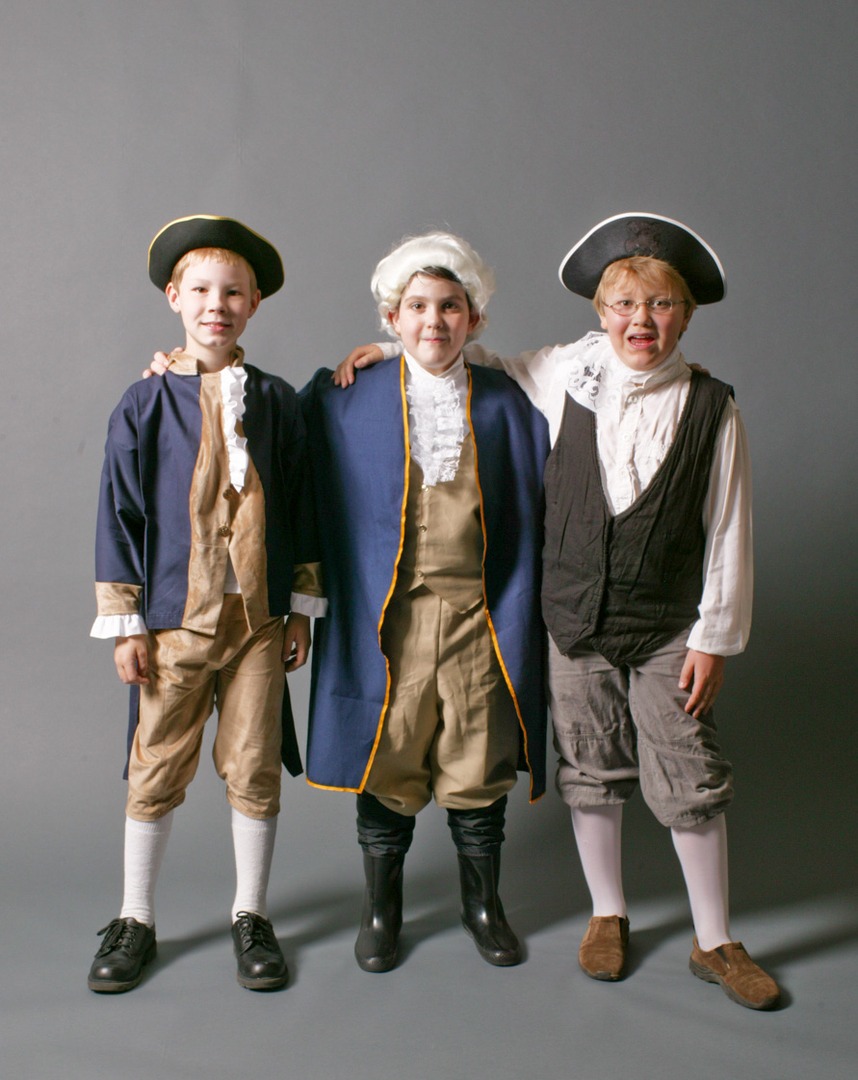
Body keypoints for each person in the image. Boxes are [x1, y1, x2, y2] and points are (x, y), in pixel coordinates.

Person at [336, 213, 780, 1010]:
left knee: (686, 775)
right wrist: (387, 351)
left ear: (685, 314)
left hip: (663, 625)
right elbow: (467, 358)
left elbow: (730, 528)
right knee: (587, 769)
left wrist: (716, 637)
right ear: (599, 312)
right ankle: (604, 915)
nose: (639, 323)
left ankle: (715, 939)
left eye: (660, 307)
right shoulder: (565, 372)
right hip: (572, 621)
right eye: (622, 306)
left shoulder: (713, 407)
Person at [302, 232, 549, 972]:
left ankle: (483, 904)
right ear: (390, 315)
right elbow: (275, 440)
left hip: (481, 615)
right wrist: (171, 371)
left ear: (474, 319)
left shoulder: (512, 402)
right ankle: (384, 910)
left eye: (450, 306)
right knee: (390, 756)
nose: (432, 322)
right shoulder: (344, 399)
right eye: (416, 307)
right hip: (390, 620)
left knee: (480, 759)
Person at [89, 215, 323, 994]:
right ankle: (135, 917)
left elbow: (304, 506)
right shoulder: (145, 402)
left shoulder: (281, 404)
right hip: (172, 621)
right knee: (155, 764)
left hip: (255, 623)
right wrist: (125, 621)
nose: (216, 305)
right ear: (174, 298)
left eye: (233, 293)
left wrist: (297, 607)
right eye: (201, 291)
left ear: (254, 305)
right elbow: (118, 510)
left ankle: (250, 914)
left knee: (254, 764)